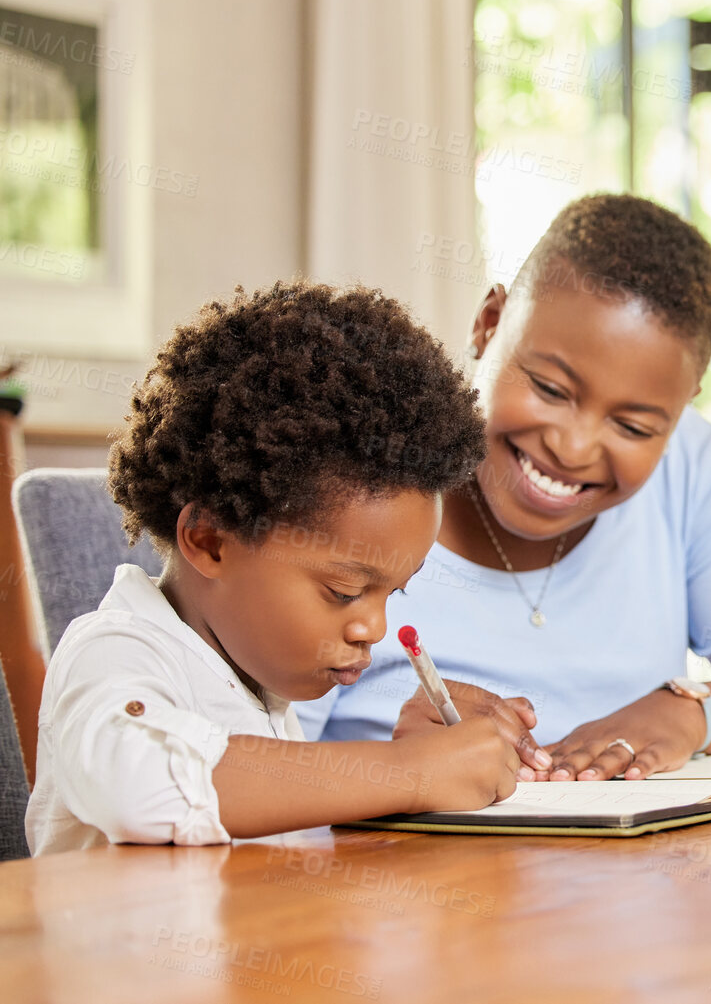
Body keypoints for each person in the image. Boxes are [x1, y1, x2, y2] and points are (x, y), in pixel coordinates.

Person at [300, 195, 711, 778]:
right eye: (550, 389)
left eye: (633, 426)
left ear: (678, 413)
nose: (573, 449)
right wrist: (400, 772)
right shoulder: (356, 469)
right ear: (489, 324)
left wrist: (686, 715)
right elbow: (235, 769)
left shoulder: (691, 466)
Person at [28, 283, 528, 854]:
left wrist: (419, 763)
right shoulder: (115, 650)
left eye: (393, 594)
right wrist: (401, 770)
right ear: (210, 540)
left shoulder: (258, 686)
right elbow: (139, 784)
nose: (375, 629)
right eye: (344, 592)